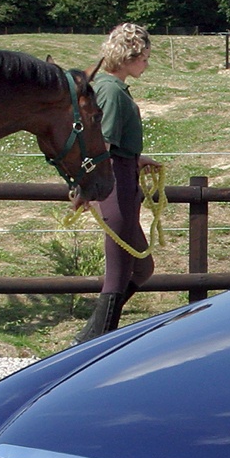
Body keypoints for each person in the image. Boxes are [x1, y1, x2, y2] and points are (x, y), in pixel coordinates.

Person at [76, 23, 160, 342]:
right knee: (120, 268)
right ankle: (91, 343)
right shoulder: (110, 91)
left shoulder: (114, 88)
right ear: (128, 56)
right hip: (115, 182)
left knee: (142, 267)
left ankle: (91, 336)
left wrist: (136, 160)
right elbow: (103, 146)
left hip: (125, 176)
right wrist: (91, 189)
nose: (146, 64)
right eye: (144, 58)